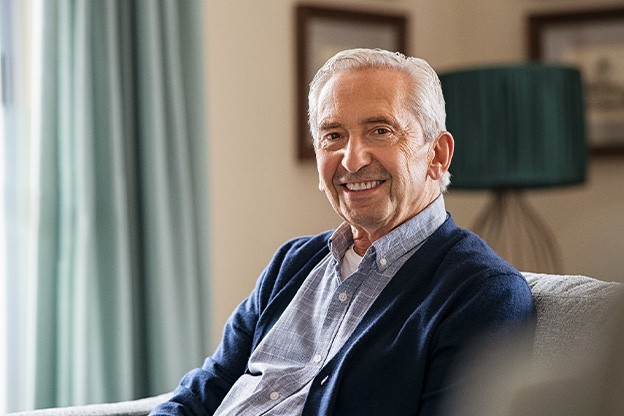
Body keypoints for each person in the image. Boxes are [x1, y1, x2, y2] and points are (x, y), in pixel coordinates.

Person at [150, 48, 535, 416]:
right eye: (333, 135)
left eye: (380, 131)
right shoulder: (292, 263)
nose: (352, 159)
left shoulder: (483, 294)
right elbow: (205, 391)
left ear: (437, 156)